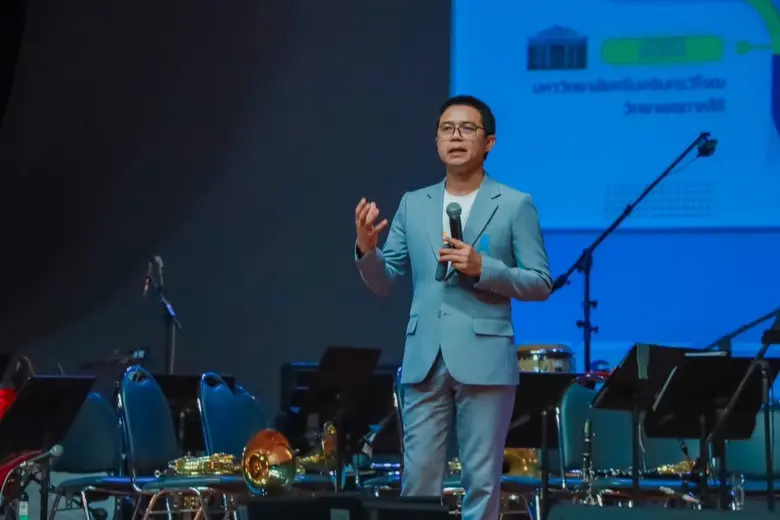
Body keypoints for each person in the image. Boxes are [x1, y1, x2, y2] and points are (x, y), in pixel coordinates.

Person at [353, 95, 552, 519]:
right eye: (447, 128)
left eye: (467, 128)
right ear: (437, 142)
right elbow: (385, 280)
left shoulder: (514, 204)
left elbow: (540, 282)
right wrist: (367, 250)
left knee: (481, 482)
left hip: (485, 357)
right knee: (417, 481)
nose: (456, 136)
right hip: (424, 357)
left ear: (489, 142)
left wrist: (484, 268)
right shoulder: (414, 203)